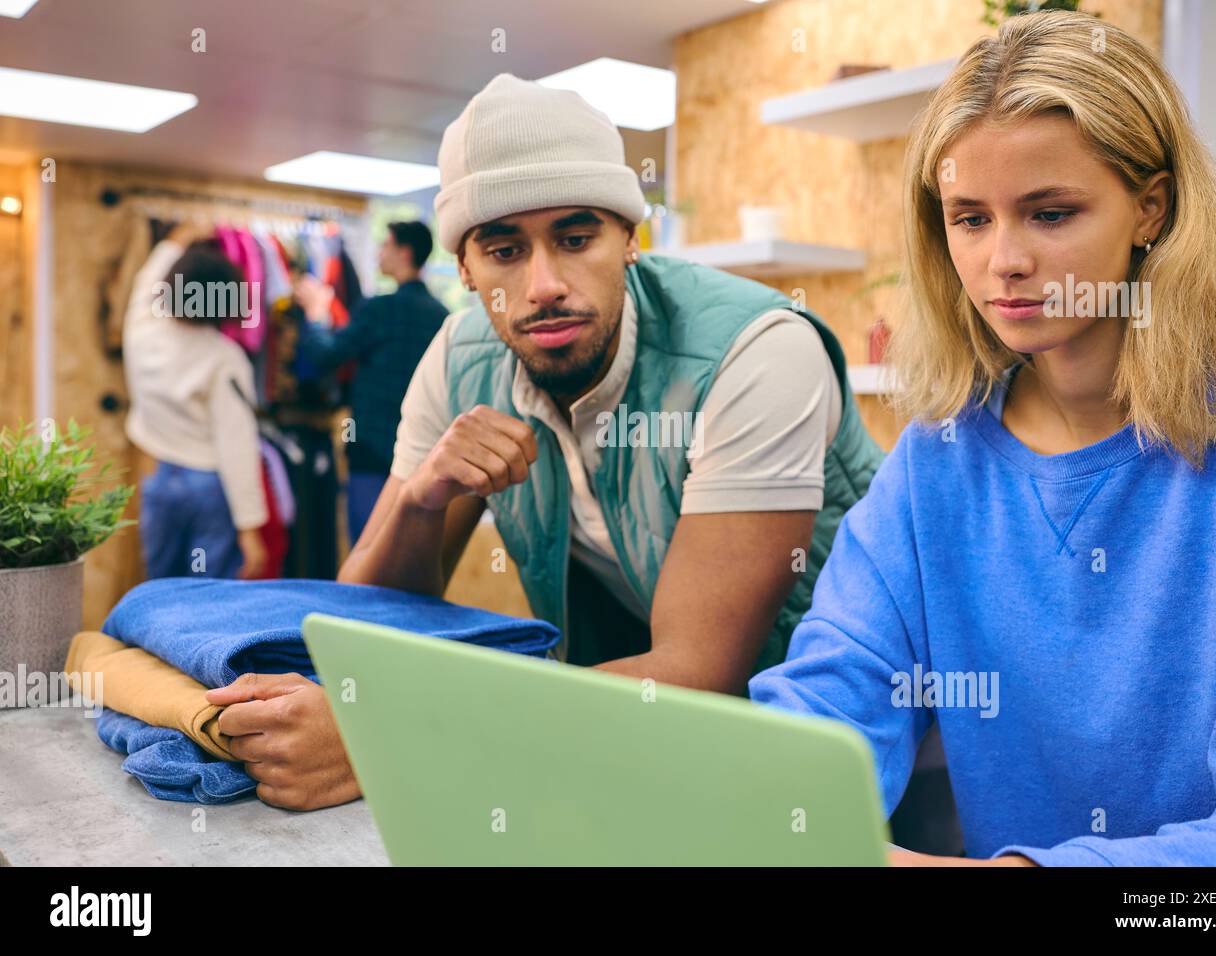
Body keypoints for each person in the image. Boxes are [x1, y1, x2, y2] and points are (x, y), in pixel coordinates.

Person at [206, 73, 884, 811]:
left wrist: (388, 739)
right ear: (463, 269)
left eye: (576, 237)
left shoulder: (755, 352)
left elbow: (699, 670)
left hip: (849, 730)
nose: (544, 285)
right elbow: (359, 628)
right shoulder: (459, 357)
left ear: (630, 237)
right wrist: (423, 501)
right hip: (638, 739)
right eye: (503, 250)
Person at [750, 10, 1216, 866]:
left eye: (1049, 214)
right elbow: (827, 707)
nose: (1003, 261)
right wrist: (768, 811)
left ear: (1150, 208)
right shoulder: (936, 460)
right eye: (969, 218)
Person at [124, 223, 268, 581]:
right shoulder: (225, 358)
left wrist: (175, 241)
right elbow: (236, 444)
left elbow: (147, 280)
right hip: (208, 486)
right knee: (206, 593)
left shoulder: (142, 328)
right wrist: (251, 529)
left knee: (160, 584)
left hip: (158, 479)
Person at [293, 221, 449, 543]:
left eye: (385, 245)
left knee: (366, 546)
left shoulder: (381, 308)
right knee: (407, 548)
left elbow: (326, 354)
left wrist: (316, 314)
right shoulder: (442, 316)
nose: (380, 252)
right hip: (422, 452)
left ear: (404, 252)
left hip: (370, 450)